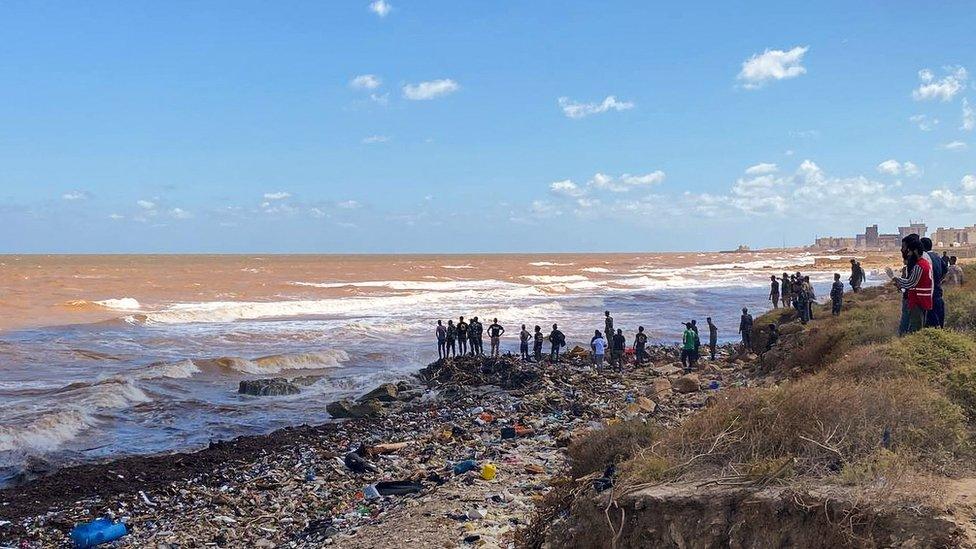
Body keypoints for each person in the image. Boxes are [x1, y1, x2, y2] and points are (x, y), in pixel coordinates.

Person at [889, 234, 933, 335]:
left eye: (909, 251)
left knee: (915, 328)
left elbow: (911, 283)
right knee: (918, 325)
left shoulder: (920, 265)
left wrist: (898, 280)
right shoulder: (925, 263)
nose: (908, 253)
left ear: (915, 251)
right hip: (923, 299)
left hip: (918, 300)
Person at [921, 238, 946, 328]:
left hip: (929, 294)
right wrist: (938, 280)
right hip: (938, 292)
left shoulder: (925, 258)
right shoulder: (937, 256)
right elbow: (945, 270)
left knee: (931, 322)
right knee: (939, 320)